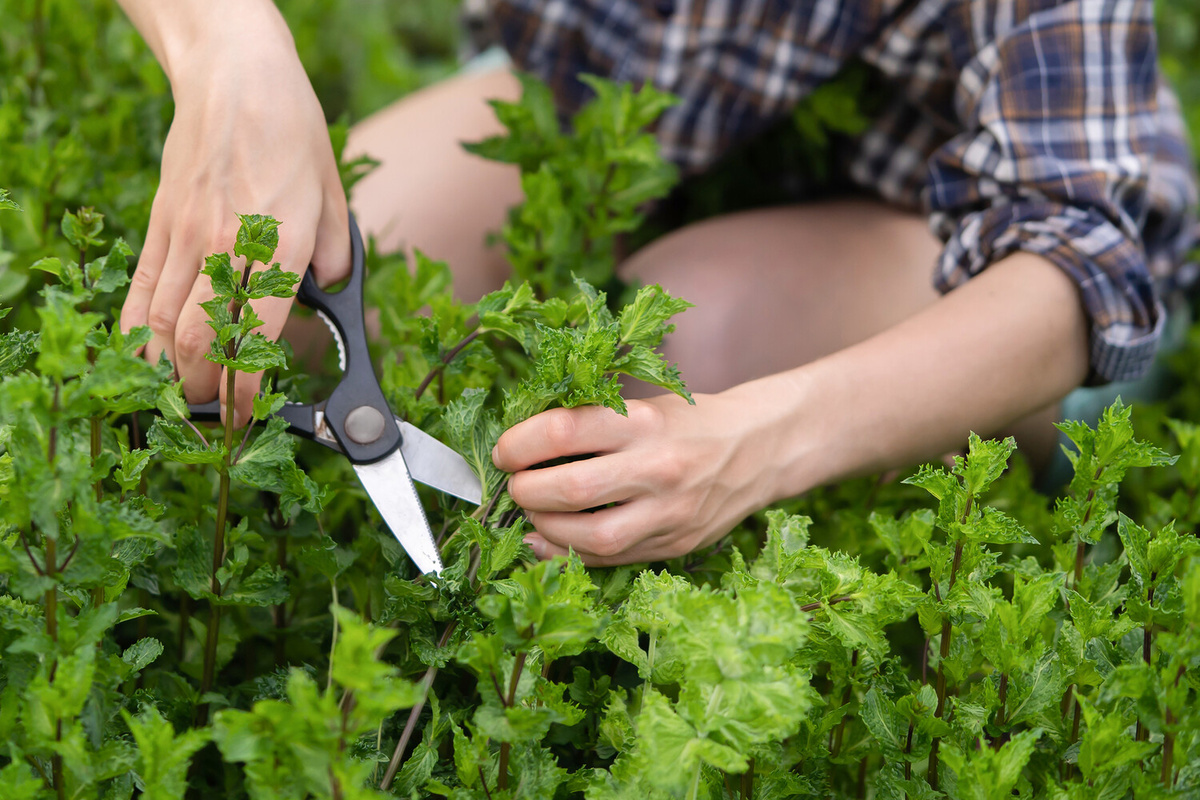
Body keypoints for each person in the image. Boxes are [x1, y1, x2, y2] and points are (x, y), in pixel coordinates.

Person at [115, 0, 1197, 566]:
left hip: (945, 224)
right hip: (615, 106)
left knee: (671, 364)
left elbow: (1083, 263)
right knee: (227, 321)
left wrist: (757, 442)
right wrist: (227, 45)